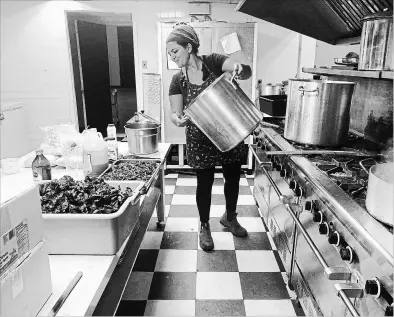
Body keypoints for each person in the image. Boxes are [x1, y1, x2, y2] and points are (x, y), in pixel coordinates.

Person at [166, 23, 252, 252]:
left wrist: (239, 69)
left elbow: (240, 69)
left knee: (233, 178)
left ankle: (230, 218)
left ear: (189, 46)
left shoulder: (213, 61)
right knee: (204, 184)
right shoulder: (178, 81)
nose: (172, 57)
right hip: (199, 139)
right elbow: (174, 113)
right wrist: (177, 120)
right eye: (169, 53)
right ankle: (204, 225)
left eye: (175, 51)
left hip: (228, 131)